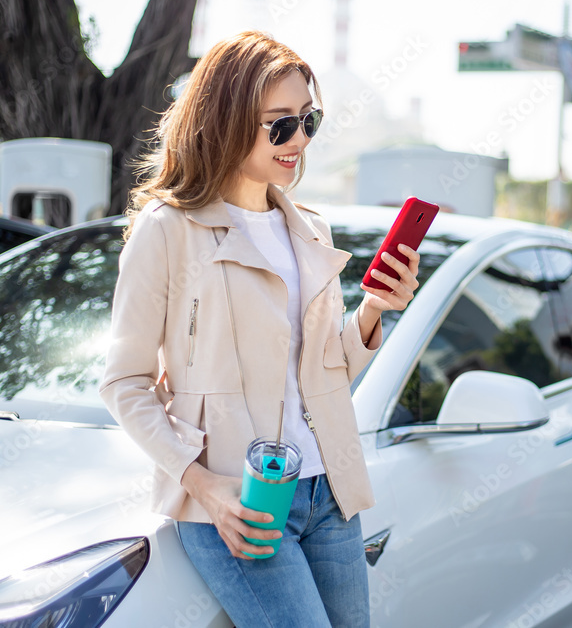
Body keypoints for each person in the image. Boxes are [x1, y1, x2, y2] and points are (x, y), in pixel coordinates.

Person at [99, 31, 421, 627]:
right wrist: (203, 486)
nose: (298, 140)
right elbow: (125, 382)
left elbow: (324, 373)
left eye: (309, 122)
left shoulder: (311, 230)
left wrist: (375, 311)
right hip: (243, 500)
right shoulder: (168, 229)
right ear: (225, 118)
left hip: (331, 493)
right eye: (280, 125)